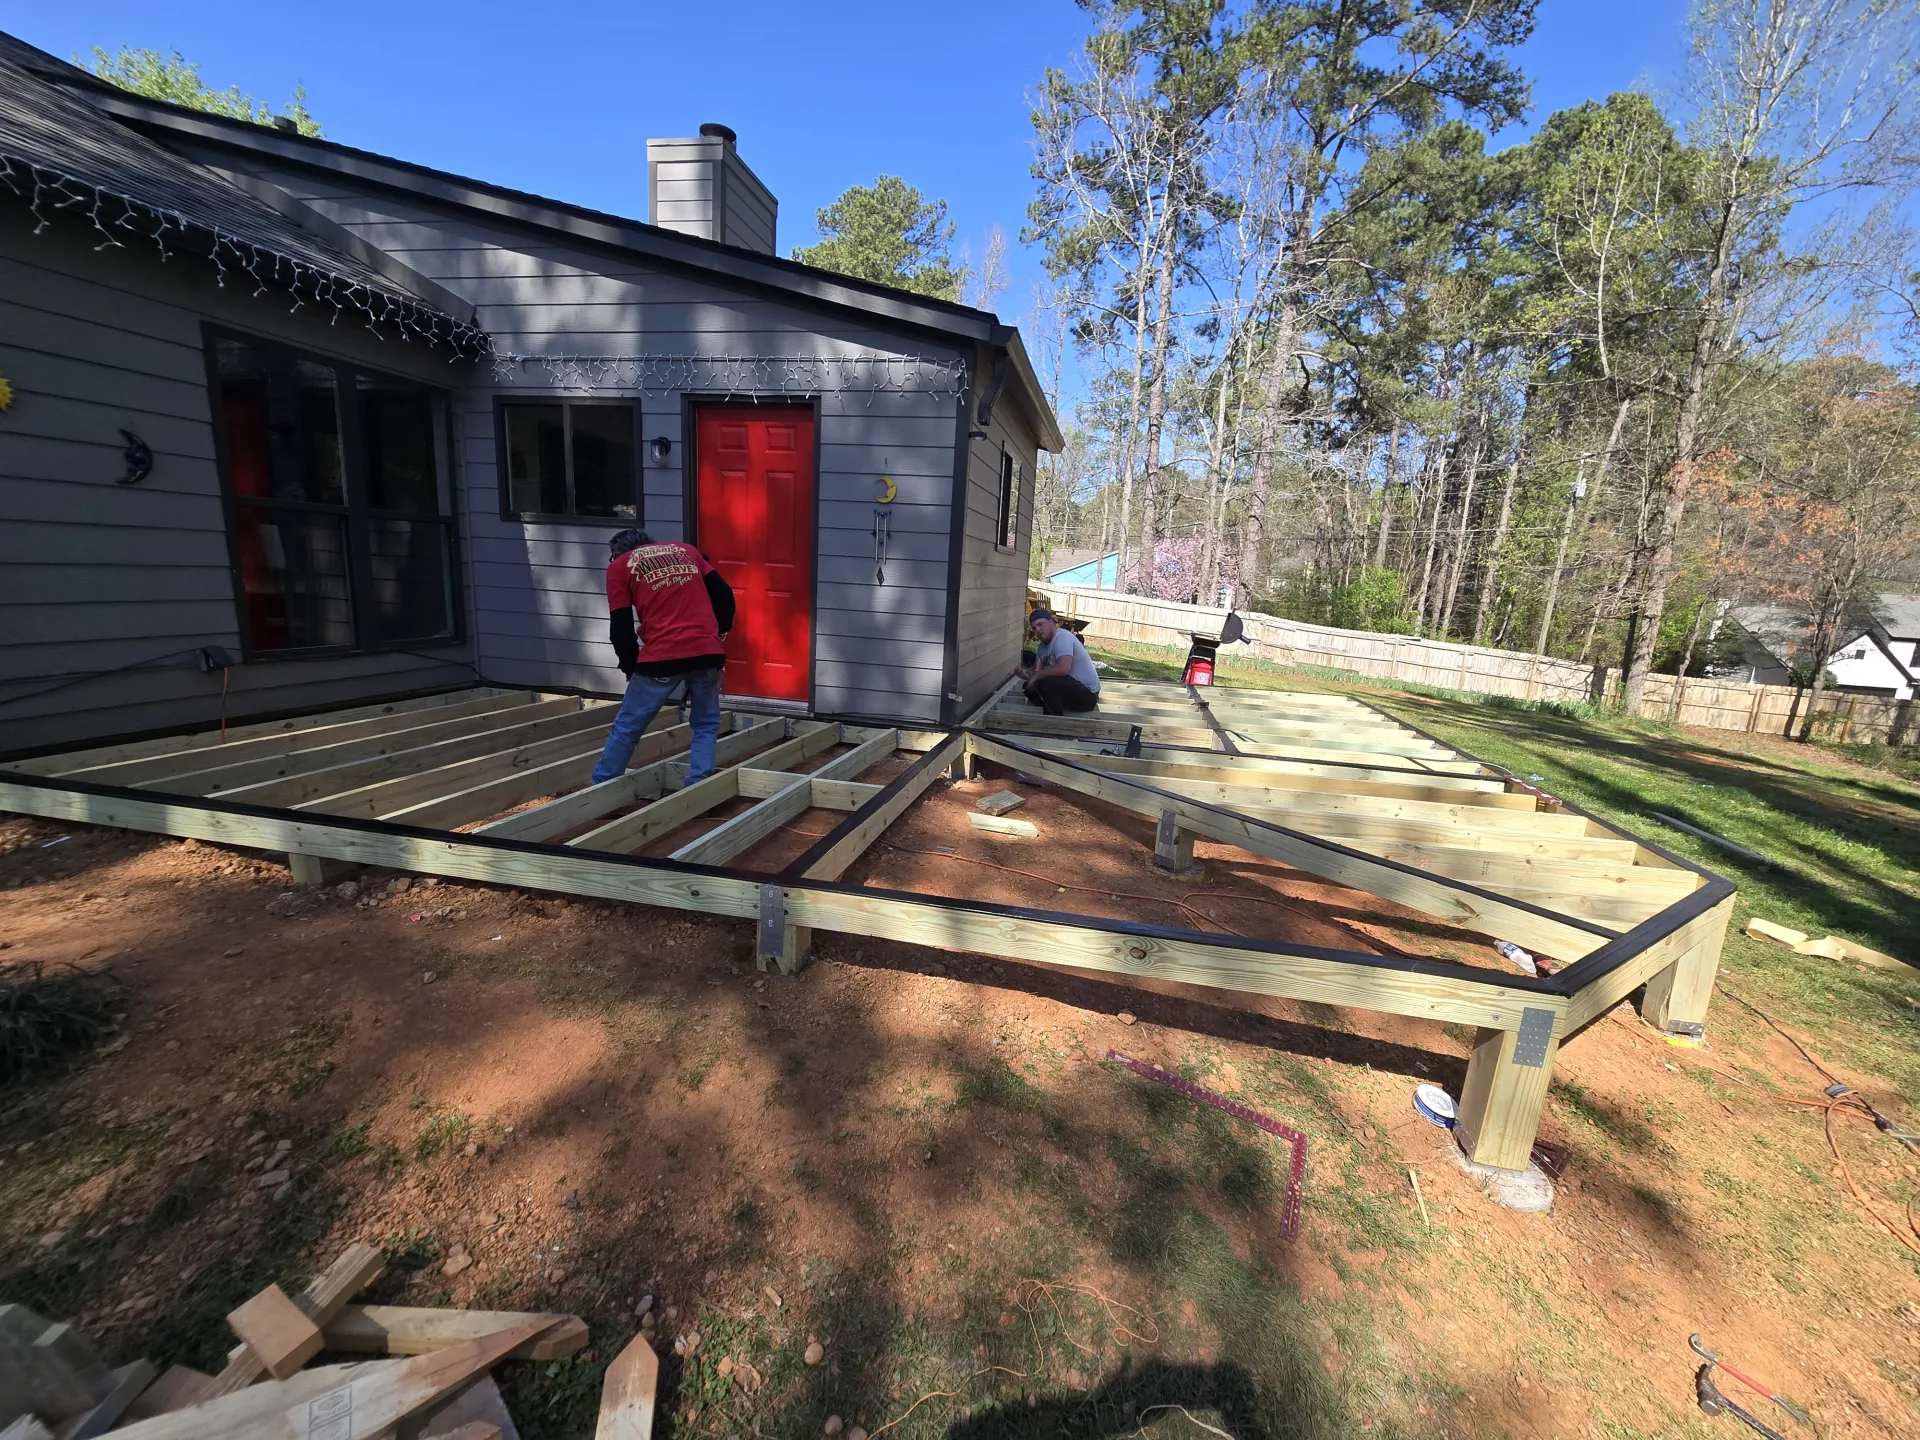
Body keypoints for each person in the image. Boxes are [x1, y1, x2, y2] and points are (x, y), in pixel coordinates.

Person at [591, 528, 736, 786]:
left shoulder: (620, 567)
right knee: (706, 724)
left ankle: (603, 788)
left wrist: (630, 667)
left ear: (617, 553)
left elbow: (620, 627)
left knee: (627, 728)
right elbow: (724, 594)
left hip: (661, 657)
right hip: (706, 653)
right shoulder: (686, 551)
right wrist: (719, 634)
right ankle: (699, 786)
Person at [1020, 607, 1100, 716]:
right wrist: (1025, 674)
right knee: (1028, 688)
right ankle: (1052, 708)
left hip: (1088, 695)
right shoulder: (1042, 648)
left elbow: (1063, 669)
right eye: (1034, 628)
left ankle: (1054, 722)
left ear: (1051, 622)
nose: (1037, 630)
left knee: (1050, 683)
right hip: (1069, 690)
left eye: (1040, 624)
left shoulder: (1062, 637)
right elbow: (1035, 670)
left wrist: (1038, 675)